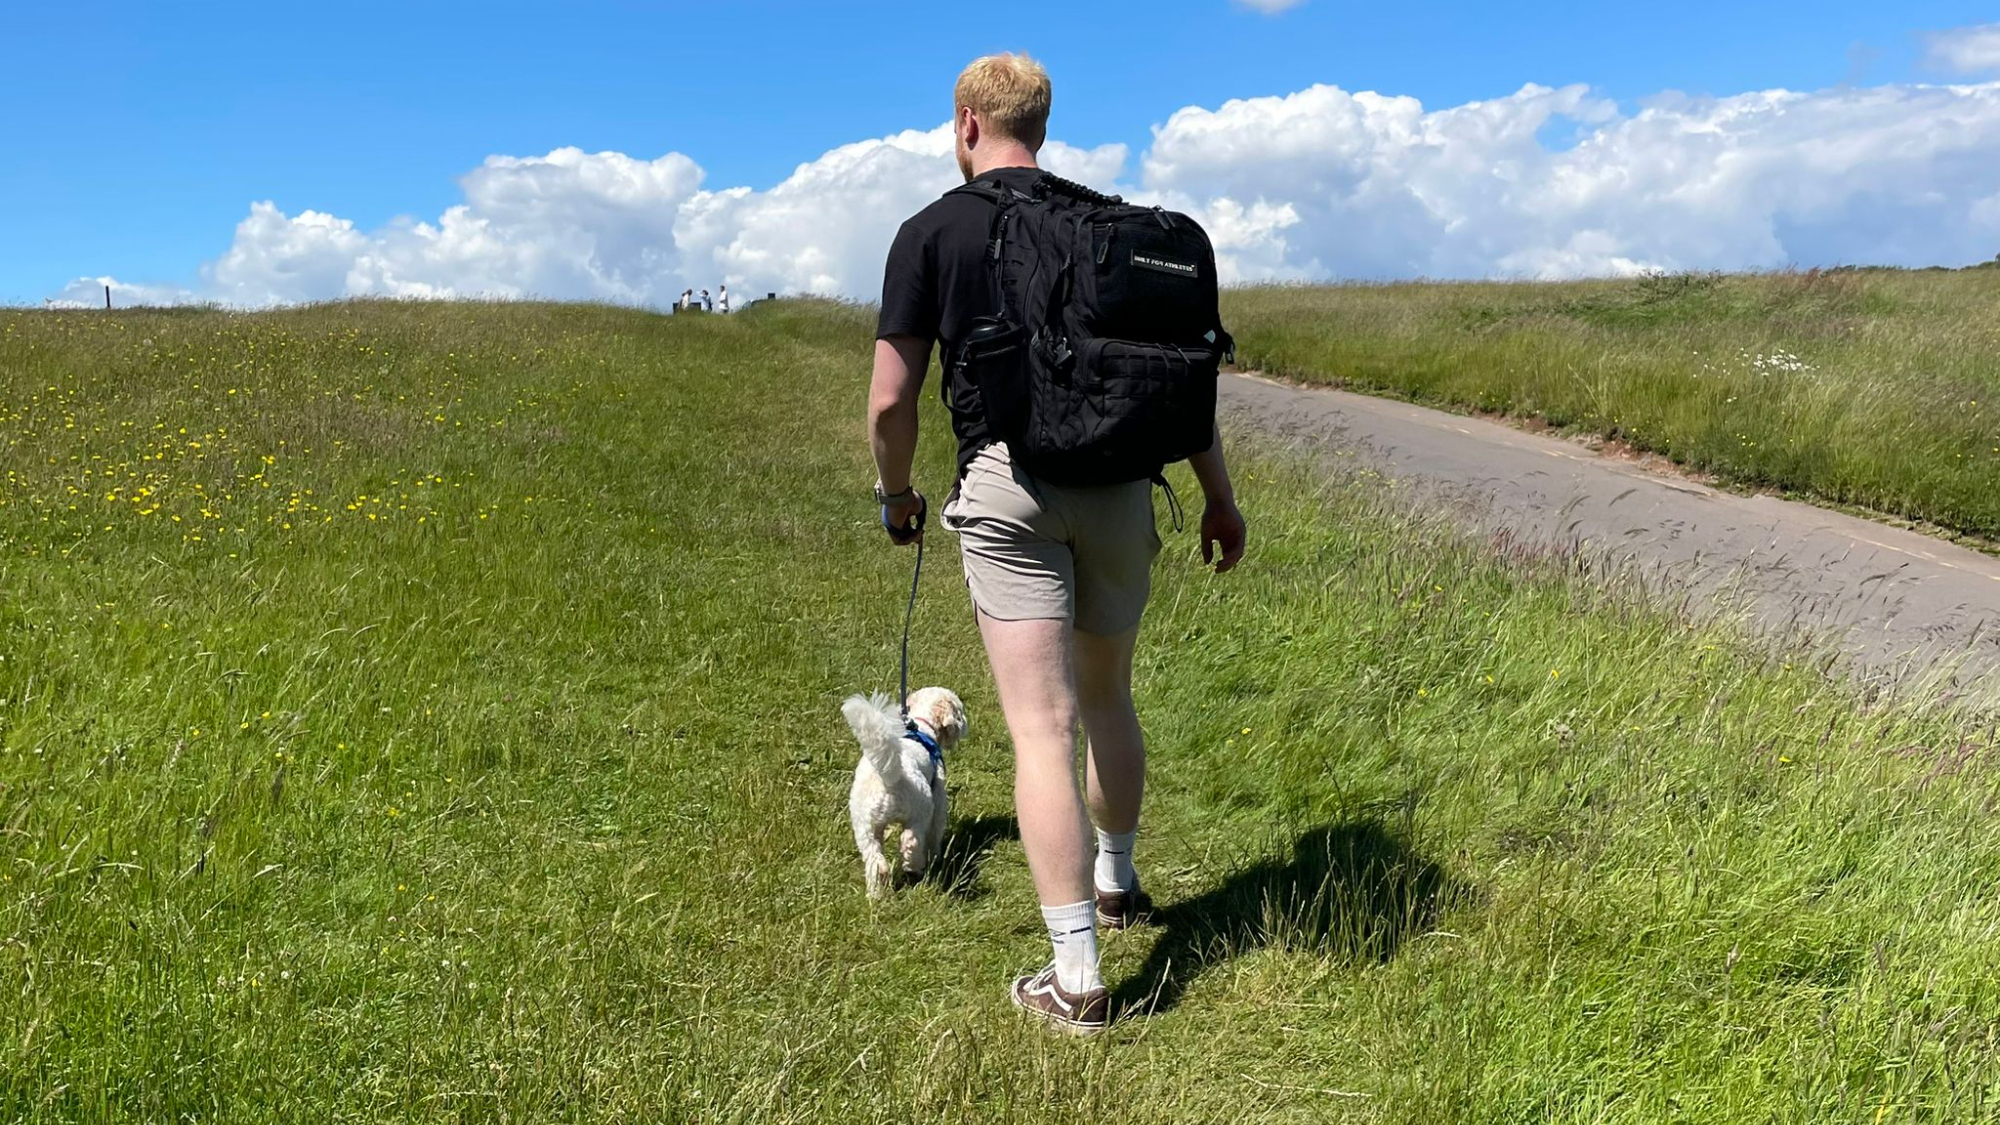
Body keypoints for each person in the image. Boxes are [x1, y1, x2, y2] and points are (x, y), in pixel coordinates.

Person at [867, 52, 1246, 1034]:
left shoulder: (930, 232)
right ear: (1037, 122)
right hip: (1123, 489)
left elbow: (889, 399)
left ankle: (1075, 977)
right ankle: (1117, 887)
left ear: (963, 124)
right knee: (1108, 696)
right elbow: (1170, 381)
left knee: (1040, 726)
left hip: (1007, 485)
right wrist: (1218, 500)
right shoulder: (1102, 224)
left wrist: (896, 493)